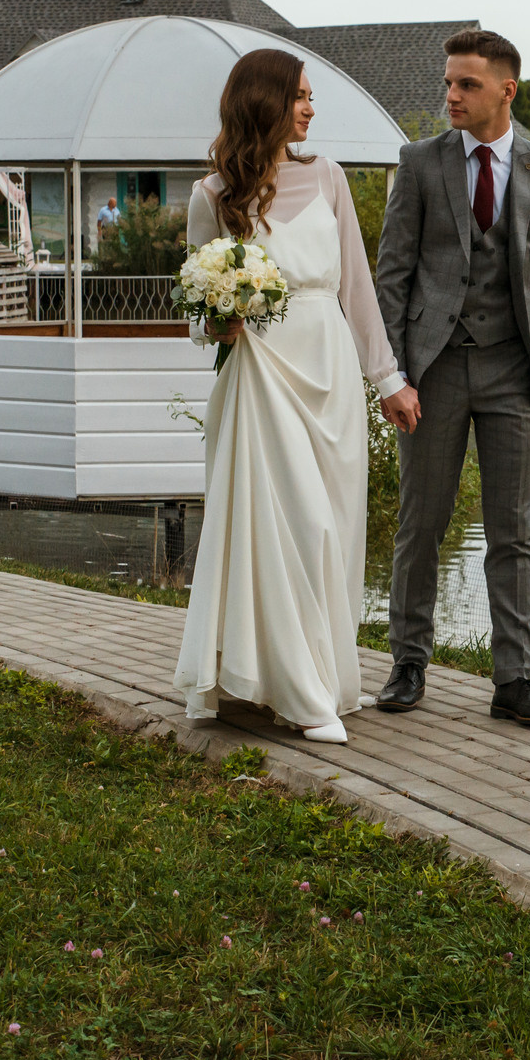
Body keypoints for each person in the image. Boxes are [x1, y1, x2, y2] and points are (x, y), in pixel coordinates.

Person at [171, 50, 405, 745]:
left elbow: (357, 288)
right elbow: (194, 314)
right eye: (300, 96)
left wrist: (387, 380)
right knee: (289, 522)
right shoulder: (212, 195)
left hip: (327, 364)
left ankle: (320, 676)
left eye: (311, 97)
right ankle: (300, 695)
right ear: (264, 102)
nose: (310, 108)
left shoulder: (328, 176)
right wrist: (218, 317)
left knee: (331, 528)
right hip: (261, 369)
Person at [371, 28, 530, 729]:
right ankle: (408, 662)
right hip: (434, 369)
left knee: (513, 532)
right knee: (421, 523)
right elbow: (392, 277)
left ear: (505, 90)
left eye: (467, 84)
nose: (451, 96)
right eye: (449, 83)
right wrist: (392, 373)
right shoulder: (420, 163)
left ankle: (513, 678)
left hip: (514, 372)